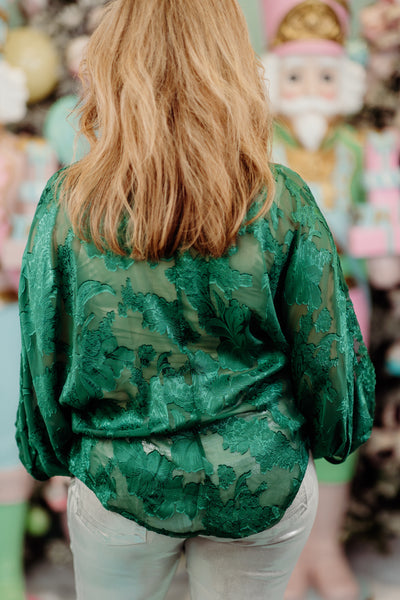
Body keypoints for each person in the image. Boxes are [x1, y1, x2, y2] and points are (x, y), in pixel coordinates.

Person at [15, 1, 375, 599]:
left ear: (112, 63)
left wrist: (55, 457)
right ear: (234, 65)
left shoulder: (68, 202)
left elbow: (43, 351)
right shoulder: (280, 200)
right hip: (262, 474)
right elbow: (329, 360)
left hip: (117, 474)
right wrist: (331, 440)